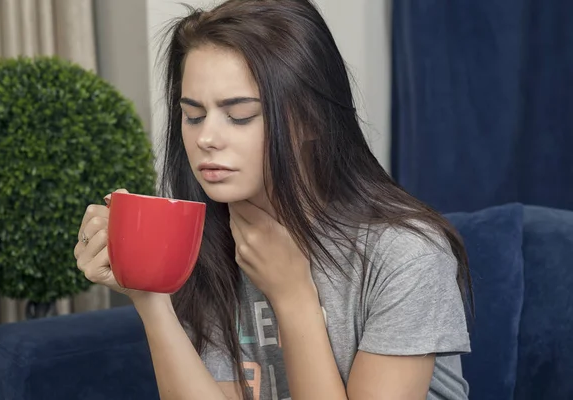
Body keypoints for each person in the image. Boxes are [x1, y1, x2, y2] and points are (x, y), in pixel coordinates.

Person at [74, 0, 473, 399]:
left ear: (312, 120)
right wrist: (150, 295)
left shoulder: (409, 254)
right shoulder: (213, 243)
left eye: (240, 115)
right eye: (193, 116)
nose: (205, 138)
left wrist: (293, 297)